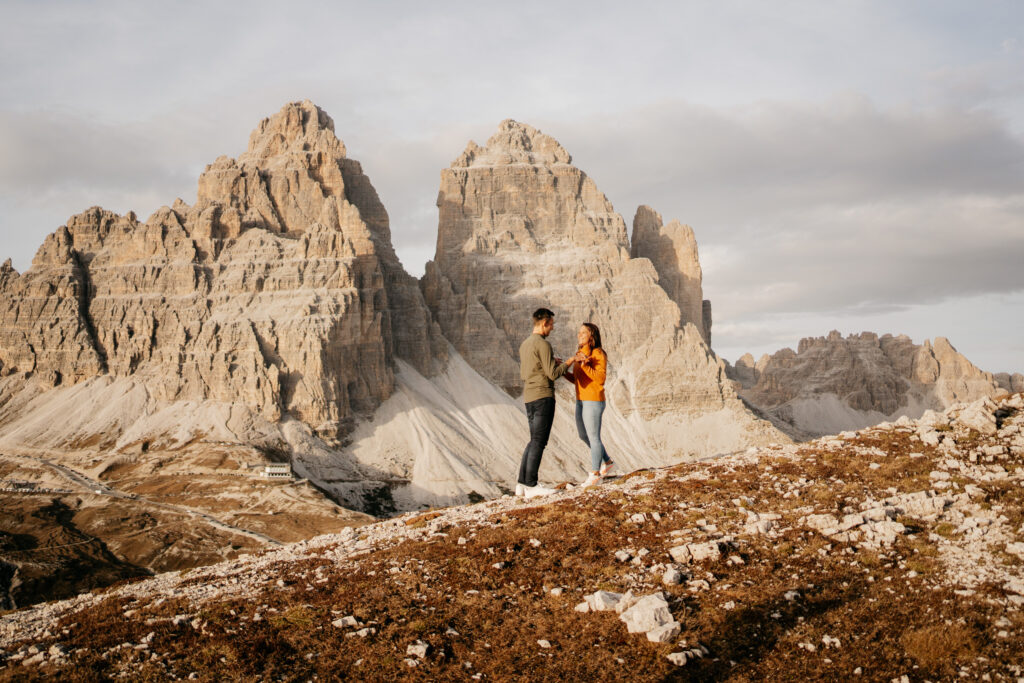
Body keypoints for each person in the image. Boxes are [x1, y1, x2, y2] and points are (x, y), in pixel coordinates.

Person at [516, 308, 585, 499]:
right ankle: (531, 485)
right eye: (551, 324)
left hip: (529, 397)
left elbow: (527, 371)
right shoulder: (543, 344)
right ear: (544, 323)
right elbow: (553, 375)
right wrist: (571, 359)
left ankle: (521, 483)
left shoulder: (525, 345)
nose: (553, 328)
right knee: (539, 441)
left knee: (533, 439)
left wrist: (550, 362)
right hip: (543, 396)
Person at [565, 322, 613, 487]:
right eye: (579, 333)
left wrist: (585, 365)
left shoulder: (598, 353)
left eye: (583, 333)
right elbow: (577, 379)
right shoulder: (580, 353)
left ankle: (595, 474)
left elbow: (600, 378)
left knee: (593, 437)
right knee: (583, 435)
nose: (579, 335)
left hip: (593, 399)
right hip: (581, 399)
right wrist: (564, 371)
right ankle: (608, 461)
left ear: (592, 337)